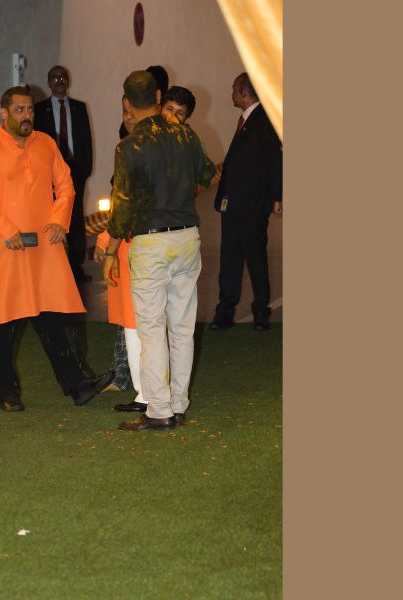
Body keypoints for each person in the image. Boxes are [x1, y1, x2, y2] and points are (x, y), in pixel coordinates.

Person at [0, 86, 114, 412]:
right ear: (4, 113)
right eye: (19, 110)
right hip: (5, 248)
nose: (27, 115)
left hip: (45, 247)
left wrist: (60, 220)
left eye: (30, 109)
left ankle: (78, 385)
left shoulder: (46, 144)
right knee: (1, 323)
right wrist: (6, 230)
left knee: (55, 317)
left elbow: (66, 185)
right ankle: (6, 393)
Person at [103, 71, 216, 431]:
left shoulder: (128, 146)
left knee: (152, 330)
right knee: (182, 328)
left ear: (127, 102)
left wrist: (111, 250)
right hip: (187, 236)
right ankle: (179, 404)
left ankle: (159, 410)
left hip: (150, 241)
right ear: (158, 96)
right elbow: (208, 174)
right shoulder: (185, 133)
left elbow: (122, 206)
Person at [209, 72, 283, 332]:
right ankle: (225, 312)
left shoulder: (264, 120)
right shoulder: (248, 120)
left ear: (243, 92)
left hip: (252, 205)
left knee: (255, 258)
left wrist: (277, 197)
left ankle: (261, 312)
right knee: (230, 257)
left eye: (233, 89)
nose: (231, 94)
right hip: (233, 204)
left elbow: (275, 161)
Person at [34, 66, 94, 283]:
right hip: (48, 173)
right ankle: (51, 267)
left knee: (75, 217)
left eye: (62, 77)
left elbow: (86, 141)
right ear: (49, 82)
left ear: (68, 80)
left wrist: (85, 170)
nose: (59, 80)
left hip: (75, 171)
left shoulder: (79, 108)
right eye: (54, 77)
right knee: (49, 217)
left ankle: (76, 267)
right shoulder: (39, 109)